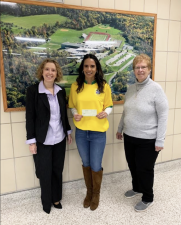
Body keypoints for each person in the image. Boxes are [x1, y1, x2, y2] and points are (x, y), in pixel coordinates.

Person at [116, 54, 168, 212]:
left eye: (143, 67)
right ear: (134, 70)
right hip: (130, 137)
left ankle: (148, 197)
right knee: (133, 166)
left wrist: (160, 140)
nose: (140, 70)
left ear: (149, 69)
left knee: (144, 169)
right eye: (137, 67)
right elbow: (126, 112)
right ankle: (137, 188)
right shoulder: (131, 89)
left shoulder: (156, 89)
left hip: (148, 139)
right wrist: (120, 129)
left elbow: (163, 115)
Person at [25, 58, 72, 214]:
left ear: (56, 73)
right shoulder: (33, 91)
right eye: (47, 69)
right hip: (42, 140)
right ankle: (46, 202)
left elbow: (63, 115)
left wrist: (68, 131)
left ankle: (56, 198)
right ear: (42, 71)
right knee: (44, 172)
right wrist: (31, 142)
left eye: (53, 70)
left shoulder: (60, 91)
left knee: (57, 170)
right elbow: (30, 117)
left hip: (59, 138)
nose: (50, 73)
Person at [68, 54, 113, 211]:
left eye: (92, 66)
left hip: (98, 133)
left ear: (97, 68)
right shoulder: (76, 86)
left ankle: (96, 194)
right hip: (81, 132)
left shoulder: (104, 86)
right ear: (82, 68)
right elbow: (72, 105)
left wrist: (106, 113)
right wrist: (74, 113)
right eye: (86, 66)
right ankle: (89, 192)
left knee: (95, 164)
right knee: (86, 163)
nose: (89, 69)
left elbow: (110, 105)